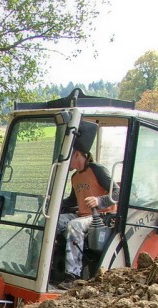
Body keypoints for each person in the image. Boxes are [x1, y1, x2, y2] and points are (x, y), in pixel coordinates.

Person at [56, 120, 118, 290]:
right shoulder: (75, 177)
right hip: (83, 215)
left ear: (77, 155)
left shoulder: (97, 170)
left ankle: (73, 276)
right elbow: (73, 201)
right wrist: (54, 203)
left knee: (74, 225)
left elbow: (117, 193)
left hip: (101, 217)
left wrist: (99, 201)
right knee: (54, 221)